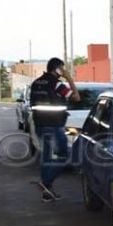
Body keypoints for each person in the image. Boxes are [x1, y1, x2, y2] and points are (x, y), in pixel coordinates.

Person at [29, 57, 80, 202]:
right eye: (63, 69)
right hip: (54, 126)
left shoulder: (36, 83)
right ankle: (45, 183)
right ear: (57, 69)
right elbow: (76, 97)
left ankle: (47, 193)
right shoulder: (57, 84)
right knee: (64, 156)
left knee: (47, 158)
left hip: (40, 125)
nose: (64, 71)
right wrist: (69, 79)